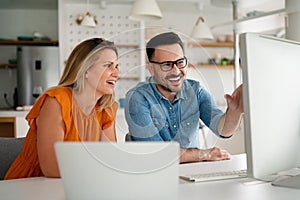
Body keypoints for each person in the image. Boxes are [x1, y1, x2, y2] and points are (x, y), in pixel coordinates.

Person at [5, 38, 119, 179]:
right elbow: (52, 168)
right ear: (85, 70)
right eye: (108, 65)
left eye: (116, 66)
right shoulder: (57, 101)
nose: (116, 73)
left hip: (77, 183)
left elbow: (109, 160)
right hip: (31, 184)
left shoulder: (106, 109)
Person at [125, 32, 243, 163]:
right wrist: (205, 154)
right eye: (166, 65)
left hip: (191, 174)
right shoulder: (138, 97)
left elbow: (223, 130)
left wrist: (235, 111)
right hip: (152, 175)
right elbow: (156, 154)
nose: (176, 71)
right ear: (151, 68)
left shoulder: (196, 91)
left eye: (180, 62)